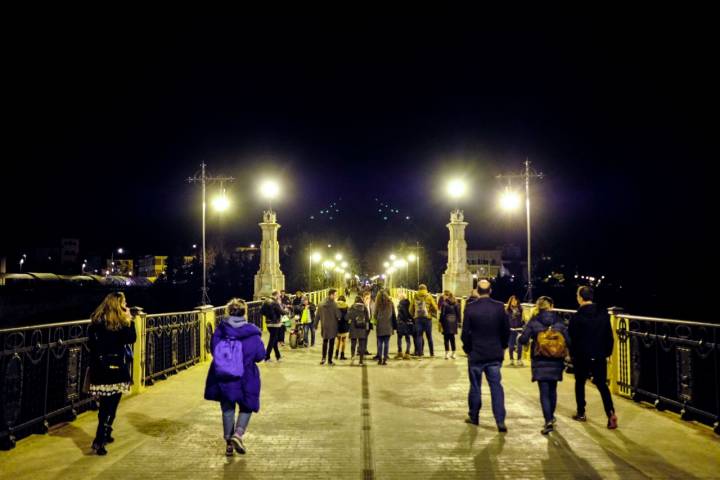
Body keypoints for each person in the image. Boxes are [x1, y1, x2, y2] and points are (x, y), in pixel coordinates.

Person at [204, 298, 266, 456]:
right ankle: (238, 434)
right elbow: (260, 356)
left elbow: (213, 350)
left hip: (225, 376)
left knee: (227, 409)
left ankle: (229, 445)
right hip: (246, 376)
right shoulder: (252, 333)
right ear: (245, 312)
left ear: (228, 312)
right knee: (246, 407)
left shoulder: (220, 331)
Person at [87, 292, 137, 455]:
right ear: (118, 305)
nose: (126, 306)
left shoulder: (96, 323)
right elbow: (131, 339)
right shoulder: (121, 324)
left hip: (100, 369)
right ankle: (100, 438)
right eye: (124, 303)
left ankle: (103, 435)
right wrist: (130, 319)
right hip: (116, 369)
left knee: (104, 405)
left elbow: (91, 345)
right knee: (112, 404)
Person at [461, 279, 509, 432]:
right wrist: (502, 347)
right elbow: (505, 331)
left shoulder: (470, 308)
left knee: (475, 386)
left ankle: (474, 416)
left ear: (476, 291)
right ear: (491, 290)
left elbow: (464, 334)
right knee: (496, 387)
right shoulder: (500, 307)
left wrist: (469, 349)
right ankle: (500, 421)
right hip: (494, 354)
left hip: (476, 354)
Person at [519, 296, 570, 435]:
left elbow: (523, 339)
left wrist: (522, 338)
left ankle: (548, 420)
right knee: (553, 390)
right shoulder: (559, 321)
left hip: (540, 360)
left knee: (544, 392)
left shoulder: (534, 321)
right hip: (556, 361)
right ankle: (551, 417)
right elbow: (569, 340)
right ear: (551, 306)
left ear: (538, 307)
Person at [569, 286, 617, 429]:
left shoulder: (577, 317)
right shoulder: (603, 315)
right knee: (602, 385)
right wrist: (606, 353)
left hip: (582, 355)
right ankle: (610, 413)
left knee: (580, 383)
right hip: (599, 355)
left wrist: (572, 354)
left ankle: (581, 412)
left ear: (580, 298)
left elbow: (572, 338)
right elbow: (609, 337)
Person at [409, 284, 438, 357]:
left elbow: (410, 309)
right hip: (427, 319)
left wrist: (414, 316)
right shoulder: (429, 296)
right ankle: (432, 353)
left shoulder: (415, 296)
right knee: (429, 336)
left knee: (419, 336)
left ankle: (419, 354)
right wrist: (431, 312)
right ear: (426, 289)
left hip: (418, 319)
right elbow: (435, 308)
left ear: (419, 289)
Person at [317, 289, 341, 365]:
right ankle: (329, 360)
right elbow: (339, 316)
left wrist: (315, 324)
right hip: (332, 327)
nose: (336, 296)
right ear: (331, 295)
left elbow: (317, 315)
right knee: (331, 344)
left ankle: (323, 358)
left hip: (324, 326)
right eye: (335, 295)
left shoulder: (321, 303)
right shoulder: (334, 304)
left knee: (324, 342)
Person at [261, 291, 287, 362]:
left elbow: (261, 311)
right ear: (276, 295)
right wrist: (286, 311)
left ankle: (278, 356)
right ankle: (267, 357)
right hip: (275, 324)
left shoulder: (266, 301)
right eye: (279, 295)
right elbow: (281, 312)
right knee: (272, 340)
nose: (279, 296)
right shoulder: (275, 302)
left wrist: (268, 316)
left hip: (268, 324)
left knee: (274, 340)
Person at [374, 289, 396, 365]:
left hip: (380, 325)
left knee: (380, 342)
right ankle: (385, 359)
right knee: (386, 343)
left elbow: (375, 314)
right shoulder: (390, 303)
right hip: (388, 325)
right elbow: (393, 315)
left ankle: (379, 359)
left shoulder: (378, 304)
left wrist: (376, 320)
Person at [348, 295, 371, 365]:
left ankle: (352, 358)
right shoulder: (364, 308)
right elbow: (367, 319)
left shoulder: (352, 307)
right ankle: (361, 361)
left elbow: (347, 317)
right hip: (362, 329)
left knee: (353, 345)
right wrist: (367, 329)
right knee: (362, 345)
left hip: (353, 329)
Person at [440, 291, 461, 360]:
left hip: (446, 322)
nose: (443, 296)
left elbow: (442, 314)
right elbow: (458, 313)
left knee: (446, 338)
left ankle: (446, 354)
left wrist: (440, 321)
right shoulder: (456, 303)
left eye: (444, 295)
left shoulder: (444, 303)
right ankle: (453, 353)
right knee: (452, 338)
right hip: (453, 322)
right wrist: (459, 322)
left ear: (447, 296)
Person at [394, 292, 414, 359]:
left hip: (401, 322)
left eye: (399, 297)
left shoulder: (400, 305)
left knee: (399, 338)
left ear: (401, 298)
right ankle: (407, 353)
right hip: (407, 323)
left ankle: (400, 352)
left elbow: (403, 314)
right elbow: (409, 313)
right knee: (407, 338)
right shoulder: (409, 303)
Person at [506, 295, 524, 366]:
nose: (514, 302)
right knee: (511, 345)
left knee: (520, 345)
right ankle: (511, 359)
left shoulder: (520, 309)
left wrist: (523, 326)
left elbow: (523, 319)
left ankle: (519, 359)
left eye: (515, 300)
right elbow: (505, 320)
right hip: (511, 330)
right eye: (513, 300)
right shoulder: (507, 310)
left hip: (519, 329)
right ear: (510, 301)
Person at [334, 295, 350, 360]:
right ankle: (342, 355)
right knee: (343, 340)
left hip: (337, 325)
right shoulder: (346, 307)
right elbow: (347, 317)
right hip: (344, 326)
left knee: (338, 340)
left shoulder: (335, 306)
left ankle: (336, 355)